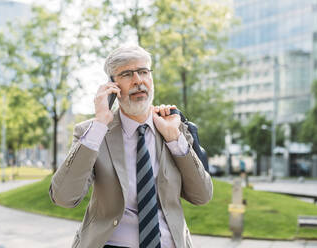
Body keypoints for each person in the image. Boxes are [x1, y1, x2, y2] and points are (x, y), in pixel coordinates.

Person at [49, 45, 213, 248]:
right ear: (112, 87)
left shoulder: (173, 127)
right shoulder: (92, 133)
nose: (138, 81)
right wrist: (100, 124)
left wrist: (174, 138)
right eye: (127, 74)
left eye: (144, 72)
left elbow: (202, 196)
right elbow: (64, 197)